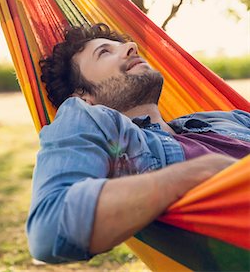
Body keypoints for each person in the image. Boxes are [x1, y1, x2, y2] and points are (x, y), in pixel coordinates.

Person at [26, 23, 250, 264]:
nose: (131, 47)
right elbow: (48, 228)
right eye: (104, 52)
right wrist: (197, 173)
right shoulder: (105, 130)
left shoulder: (228, 118)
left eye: (124, 45)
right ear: (83, 96)